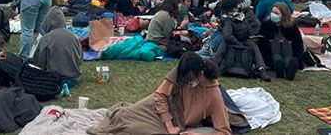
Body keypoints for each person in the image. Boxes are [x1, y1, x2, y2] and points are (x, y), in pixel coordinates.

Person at [87, 53, 230, 135]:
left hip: (179, 122)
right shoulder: (182, 69)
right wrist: (168, 125)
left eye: (190, 80)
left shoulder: (213, 94)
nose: (187, 84)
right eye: (185, 80)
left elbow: (224, 131)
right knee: (125, 115)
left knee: (135, 130)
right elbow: (161, 94)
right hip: (161, 105)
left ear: (200, 74)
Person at [214, 0, 269, 81]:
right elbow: (227, 35)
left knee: (254, 47)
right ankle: (215, 66)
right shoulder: (228, 20)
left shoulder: (242, 16)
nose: (239, 6)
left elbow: (248, 29)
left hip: (244, 39)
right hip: (232, 41)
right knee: (223, 45)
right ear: (232, 7)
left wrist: (252, 36)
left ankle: (261, 69)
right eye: (237, 5)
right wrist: (238, 43)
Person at [31, 7, 82, 85]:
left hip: (54, 77)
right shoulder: (73, 36)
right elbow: (80, 57)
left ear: (47, 21)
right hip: (74, 75)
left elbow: (39, 62)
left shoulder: (46, 39)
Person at [258, 2, 303, 80]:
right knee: (276, 43)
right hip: (271, 53)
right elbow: (261, 42)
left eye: (276, 13)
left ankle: (289, 67)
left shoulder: (291, 27)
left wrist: (296, 58)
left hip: (288, 51)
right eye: (272, 12)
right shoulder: (266, 24)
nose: (273, 14)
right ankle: (278, 64)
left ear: (283, 15)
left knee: (286, 43)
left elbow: (298, 44)